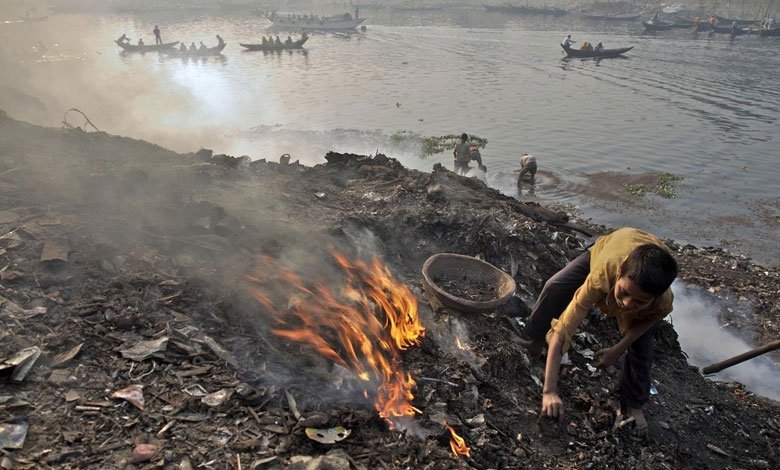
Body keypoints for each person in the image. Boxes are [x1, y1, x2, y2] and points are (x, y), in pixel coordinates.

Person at [517, 227, 679, 442]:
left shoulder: (662, 300)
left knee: (642, 344)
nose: (627, 303)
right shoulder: (602, 273)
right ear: (620, 272)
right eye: (624, 293)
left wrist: (617, 349)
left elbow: (649, 320)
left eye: (640, 302)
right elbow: (564, 329)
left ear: (656, 297)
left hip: (648, 256)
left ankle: (635, 404)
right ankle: (534, 340)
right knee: (555, 286)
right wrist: (549, 392)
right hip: (611, 246)